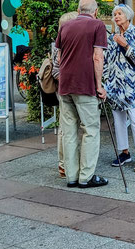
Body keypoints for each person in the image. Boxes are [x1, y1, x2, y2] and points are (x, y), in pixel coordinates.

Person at [56, 0, 108, 188]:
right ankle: (86, 176)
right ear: (95, 11)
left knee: (69, 132)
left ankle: (71, 176)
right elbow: (97, 57)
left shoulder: (65, 26)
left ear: (78, 10)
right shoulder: (98, 26)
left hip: (65, 85)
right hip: (85, 85)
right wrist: (99, 85)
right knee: (90, 130)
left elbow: (60, 57)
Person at [103, 4, 135, 171]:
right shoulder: (112, 37)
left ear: (128, 16)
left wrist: (126, 45)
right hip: (114, 85)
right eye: (114, 14)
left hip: (132, 84)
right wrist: (105, 82)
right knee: (118, 118)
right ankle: (124, 152)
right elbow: (106, 60)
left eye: (119, 13)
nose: (116, 17)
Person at [54, 11, 79, 179]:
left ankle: (65, 164)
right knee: (66, 128)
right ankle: (64, 164)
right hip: (67, 89)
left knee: (66, 128)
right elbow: (57, 70)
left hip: (65, 88)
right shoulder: (63, 45)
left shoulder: (62, 43)